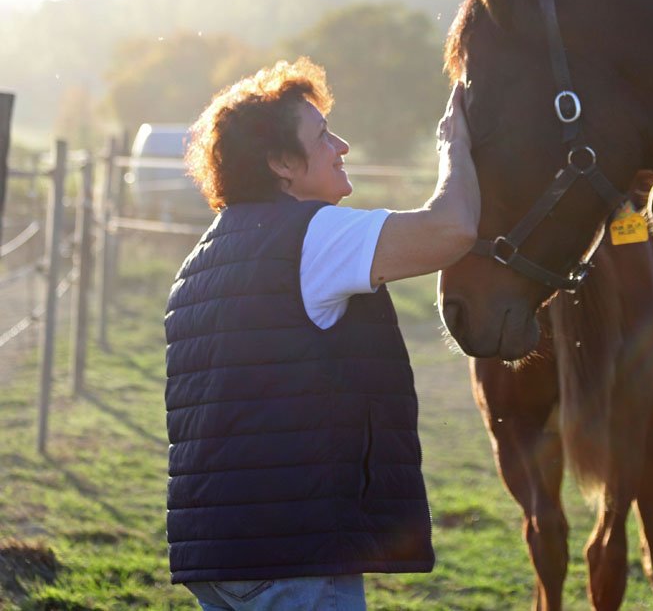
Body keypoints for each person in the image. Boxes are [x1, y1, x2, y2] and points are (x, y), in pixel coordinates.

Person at [164, 57, 479, 610]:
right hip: (293, 558)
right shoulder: (312, 234)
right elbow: (450, 230)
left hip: (218, 555)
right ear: (282, 163)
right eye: (323, 135)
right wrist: (455, 145)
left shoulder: (201, 261)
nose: (342, 146)